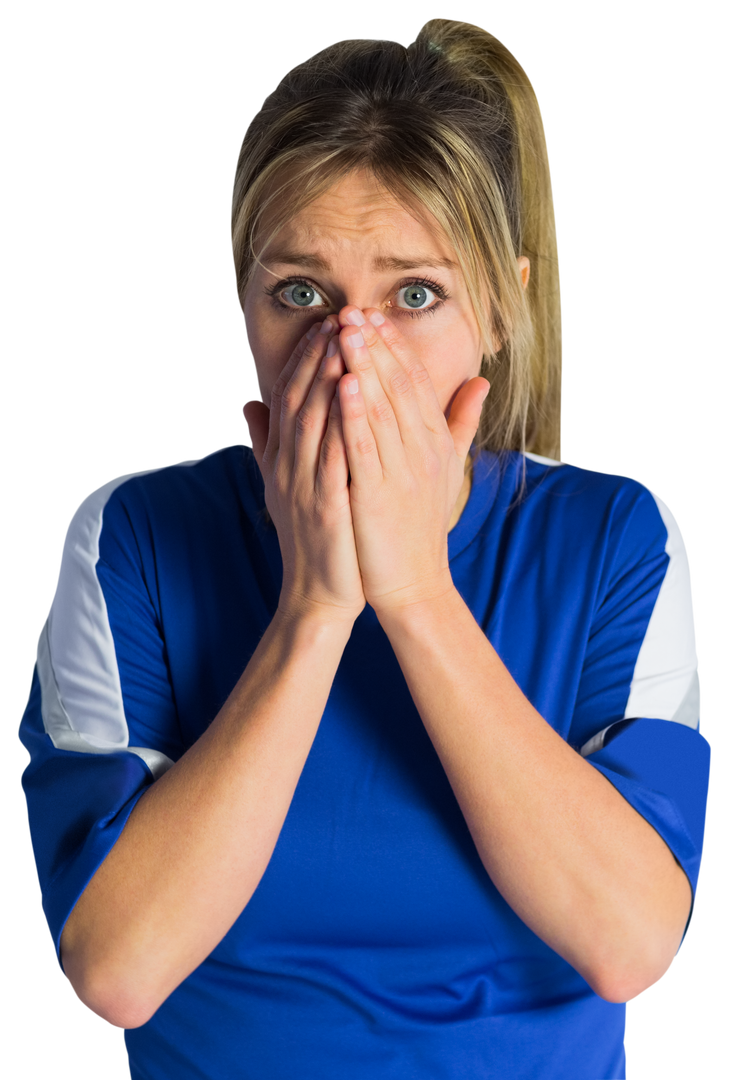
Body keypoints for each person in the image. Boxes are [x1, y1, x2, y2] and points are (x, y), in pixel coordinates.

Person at [17, 17, 711, 1079]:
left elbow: (628, 945)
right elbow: (118, 968)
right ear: (244, 303)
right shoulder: (132, 539)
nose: (351, 358)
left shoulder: (617, 540)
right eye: (301, 292)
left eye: (413, 295)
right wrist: (314, 607)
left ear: (499, 307)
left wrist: (416, 594)